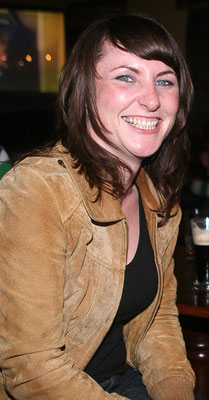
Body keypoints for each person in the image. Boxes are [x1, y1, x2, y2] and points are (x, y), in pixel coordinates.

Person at [0, 14, 197, 399]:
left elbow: (156, 322)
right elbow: (31, 368)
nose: (152, 99)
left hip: (120, 382)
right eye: (126, 76)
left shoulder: (160, 199)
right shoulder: (36, 190)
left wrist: (176, 392)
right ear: (83, 88)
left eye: (165, 81)